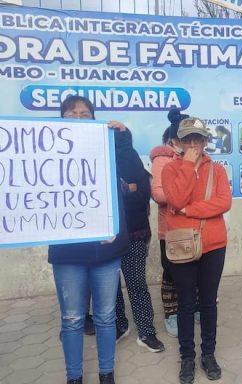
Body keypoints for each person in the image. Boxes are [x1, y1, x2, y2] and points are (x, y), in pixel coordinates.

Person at [48, 95, 133, 384]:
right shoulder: (47, 153)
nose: (78, 119)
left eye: (85, 114)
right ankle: (74, 377)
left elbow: (134, 178)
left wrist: (123, 141)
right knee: (71, 319)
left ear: (94, 119)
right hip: (67, 252)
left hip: (105, 251)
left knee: (106, 316)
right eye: (71, 114)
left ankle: (106, 374)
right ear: (61, 119)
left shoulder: (109, 147)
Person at [162, 117, 232, 384]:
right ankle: (187, 357)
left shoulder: (219, 171)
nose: (193, 144)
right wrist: (188, 166)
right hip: (182, 245)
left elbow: (223, 203)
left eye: (198, 139)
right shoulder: (171, 169)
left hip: (214, 245)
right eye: (187, 139)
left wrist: (189, 211)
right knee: (186, 303)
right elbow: (175, 198)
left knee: (209, 302)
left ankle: (209, 354)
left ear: (205, 141)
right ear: (178, 142)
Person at [114, 128, 165, 353]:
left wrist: (127, 188)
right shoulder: (96, 164)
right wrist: (125, 188)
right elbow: (122, 191)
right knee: (110, 287)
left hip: (134, 234)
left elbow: (140, 193)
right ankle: (119, 325)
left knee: (137, 285)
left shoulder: (133, 161)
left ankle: (146, 331)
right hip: (105, 238)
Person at [150, 108, 189, 338]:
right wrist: (186, 196)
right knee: (171, 272)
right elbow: (159, 194)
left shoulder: (199, 158)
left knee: (193, 270)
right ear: (174, 140)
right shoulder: (162, 160)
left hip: (195, 226)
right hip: (171, 229)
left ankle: (192, 308)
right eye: (185, 138)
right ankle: (171, 314)